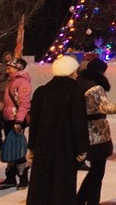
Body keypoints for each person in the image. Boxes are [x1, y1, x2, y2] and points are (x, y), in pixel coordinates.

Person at [26, 55, 89, 205]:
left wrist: (32, 146)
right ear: (72, 72)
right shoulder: (75, 92)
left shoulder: (42, 92)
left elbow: (34, 122)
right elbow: (78, 122)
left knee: (41, 184)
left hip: (43, 146)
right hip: (66, 147)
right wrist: (82, 147)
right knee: (63, 186)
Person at [76, 58, 116, 205]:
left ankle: (80, 199)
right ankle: (91, 201)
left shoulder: (78, 83)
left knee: (94, 171)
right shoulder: (96, 88)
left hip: (82, 129)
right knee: (97, 171)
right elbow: (104, 107)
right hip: (97, 131)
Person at [0, 58, 31, 190]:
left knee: (18, 149)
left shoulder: (22, 82)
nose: (8, 69)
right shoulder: (11, 81)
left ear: (18, 68)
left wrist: (19, 121)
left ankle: (23, 177)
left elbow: (24, 103)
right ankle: (10, 177)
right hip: (8, 118)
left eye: (10, 67)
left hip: (16, 119)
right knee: (10, 148)